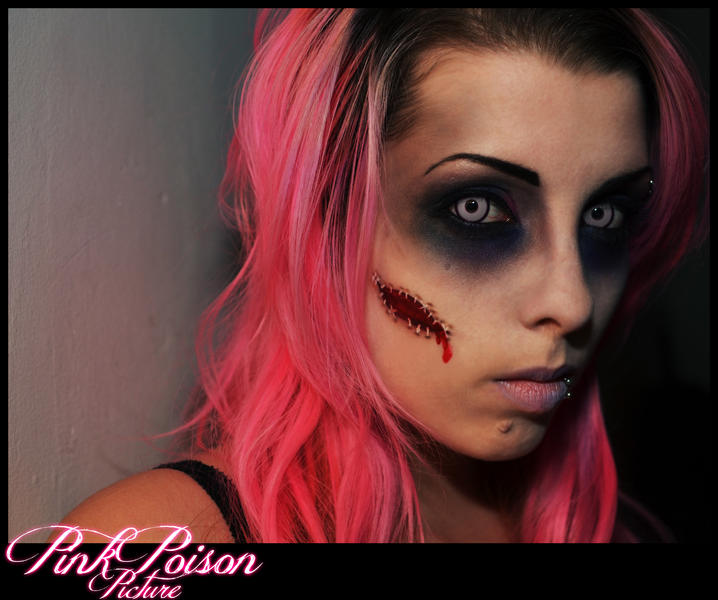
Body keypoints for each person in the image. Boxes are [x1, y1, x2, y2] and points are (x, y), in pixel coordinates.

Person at [53, 8, 708, 543]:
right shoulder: (156, 546)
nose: (572, 301)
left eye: (604, 215)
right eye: (478, 209)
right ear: (331, 215)